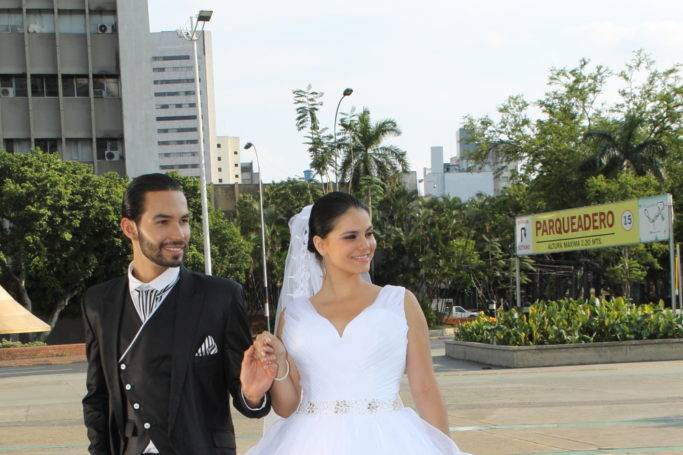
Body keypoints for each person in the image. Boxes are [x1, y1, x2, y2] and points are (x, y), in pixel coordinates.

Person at [247, 192, 470, 454]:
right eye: (351, 236)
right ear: (320, 244)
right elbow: (286, 407)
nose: (365, 245)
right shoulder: (294, 315)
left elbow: (425, 387)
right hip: (308, 441)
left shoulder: (400, 302)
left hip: (390, 439)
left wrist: (445, 448)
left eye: (369, 233)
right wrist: (280, 363)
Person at [82, 173, 273, 454]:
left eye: (183, 221)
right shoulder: (99, 302)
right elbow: (97, 399)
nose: (179, 234)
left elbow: (245, 392)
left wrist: (253, 395)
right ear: (129, 228)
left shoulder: (220, 296)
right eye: (163, 221)